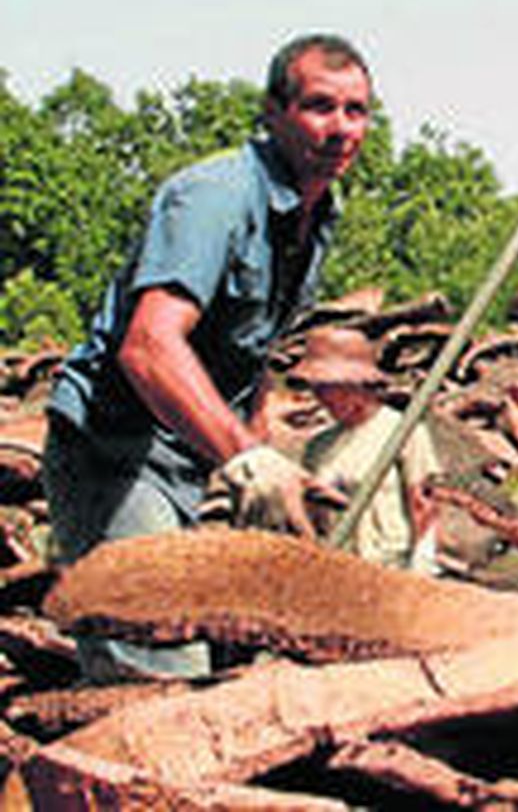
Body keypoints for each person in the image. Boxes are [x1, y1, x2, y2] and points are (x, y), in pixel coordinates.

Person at [41, 33, 370, 680]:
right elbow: (150, 346)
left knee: (247, 646)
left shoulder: (315, 213)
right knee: (160, 670)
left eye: (356, 111)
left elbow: (255, 353)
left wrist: (260, 458)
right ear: (273, 114)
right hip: (114, 450)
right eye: (319, 106)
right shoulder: (215, 197)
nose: (340, 129)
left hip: (184, 461)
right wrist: (244, 460)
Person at [291, 326, 440, 574]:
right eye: (317, 388)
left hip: (390, 565)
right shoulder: (318, 446)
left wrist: (422, 560)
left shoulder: (402, 432)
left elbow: (424, 503)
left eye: (330, 388)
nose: (321, 398)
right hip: (341, 566)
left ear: (357, 384)